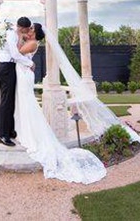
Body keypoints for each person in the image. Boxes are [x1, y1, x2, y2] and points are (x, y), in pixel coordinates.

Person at [13, 23, 107, 184]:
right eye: (27, 29)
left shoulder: (33, 43)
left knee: (28, 103)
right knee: (24, 103)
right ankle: (22, 128)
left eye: (30, 30)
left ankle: (31, 133)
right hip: (22, 73)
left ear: (35, 32)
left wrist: (18, 36)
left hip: (24, 76)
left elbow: (18, 52)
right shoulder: (31, 41)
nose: (27, 31)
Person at [0, 16, 34, 147]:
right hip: (6, 67)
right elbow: (14, 54)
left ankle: (10, 130)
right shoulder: (11, 34)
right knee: (6, 101)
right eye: (26, 30)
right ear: (21, 27)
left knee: (11, 100)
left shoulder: (14, 32)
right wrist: (30, 63)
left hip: (10, 67)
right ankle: (2, 135)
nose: (26, 32)